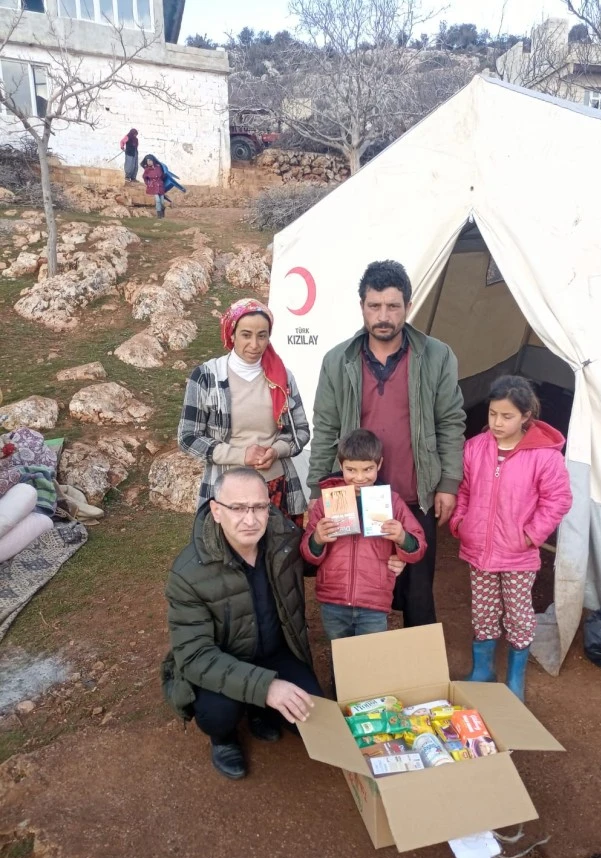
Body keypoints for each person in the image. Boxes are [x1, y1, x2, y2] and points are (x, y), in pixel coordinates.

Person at [308, 260, 465, 628]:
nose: (383, 315)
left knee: (418, 590)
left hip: (415, 492)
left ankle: (419, 675)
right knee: (361, 583)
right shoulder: (338, 361)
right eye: (374, 305)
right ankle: (364, 667)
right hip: (356, 494)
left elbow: (451, 421)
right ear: (361, 306)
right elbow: (326, 427)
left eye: (393, 306)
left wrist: (447, 484)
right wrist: (318, 489)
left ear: (408, 307)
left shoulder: (436, 356)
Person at [162, 467, 323, 780]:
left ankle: (260, 710)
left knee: (315, 717)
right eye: (237, 508)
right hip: (224, 660)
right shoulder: (187, 574)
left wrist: (386, 553)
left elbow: (312, 560)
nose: (251, 519)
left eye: (259, 507)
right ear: (217, 511)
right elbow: (194, 657)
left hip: (277, 652)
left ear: (269, 506)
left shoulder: (283, 538)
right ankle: (224, 738)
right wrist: (267, 687)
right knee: (217, 714)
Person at [449, 375, 572, 702]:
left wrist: (532, 534)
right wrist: (461, 521)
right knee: (484, 611)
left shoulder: (545, 456)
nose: (497, 423)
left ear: (525, 417)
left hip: (518, 552)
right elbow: (464, 490)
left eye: (506, 416)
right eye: (492, 414)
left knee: (518, 613)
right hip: (479, 549)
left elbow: (558, 499)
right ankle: (483, 669)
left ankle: (515, 674)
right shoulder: (475, 447)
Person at [178, 298, 310, 523]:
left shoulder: (282, 377)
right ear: (232, 334)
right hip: (228, 491)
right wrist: (241, 456)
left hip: (277, 487)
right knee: (230, 556)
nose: (255, 344)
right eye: (246, 335)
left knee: (278, 555)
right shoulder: (206, 377)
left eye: (262, 335)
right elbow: (188, 437)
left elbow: (301, 431)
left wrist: (276, 451)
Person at [301, 429, 426, 645]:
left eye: (368, 469)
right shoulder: (326, 503)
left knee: (370, 659)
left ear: (379, 465)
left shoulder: (391, 502)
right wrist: (317, 539)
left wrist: (402, 537)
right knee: (341, 660)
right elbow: (308, 554)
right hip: (333, 599)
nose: (360, 477)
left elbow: (419, 545)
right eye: (351, 469)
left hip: (374, 602)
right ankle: (338, 681)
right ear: (340, 466)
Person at [141, 154, 165, 218]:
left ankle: (162, 210)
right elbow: (144, 177)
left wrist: (161, 181)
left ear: (153, 161)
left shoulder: (158, 167)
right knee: (157, 200)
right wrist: (148, 183)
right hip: (153, 186)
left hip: (160, 185)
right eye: (147, 161)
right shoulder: (147, 170)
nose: (148, 162)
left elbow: (163, 176)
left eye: (150, 161)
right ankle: (159, 214)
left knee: (162, 202)